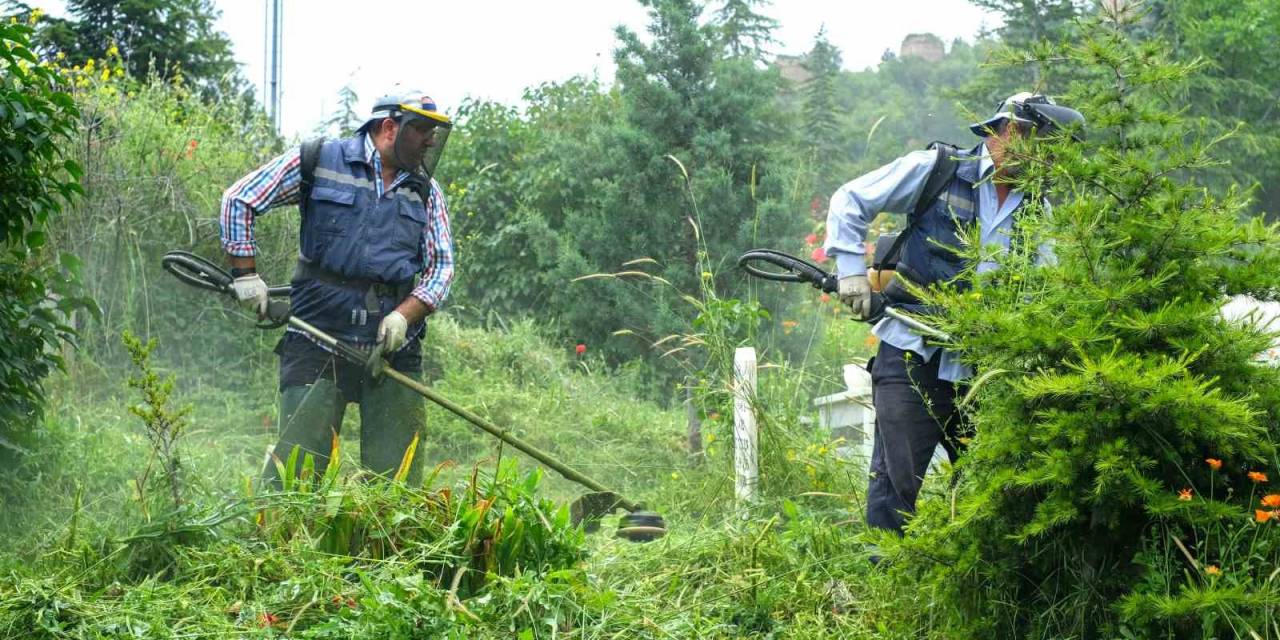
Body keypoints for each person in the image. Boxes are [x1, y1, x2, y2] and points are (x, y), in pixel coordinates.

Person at [824, 93, 1084, 535]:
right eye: (1044, 146)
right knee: (896, 484)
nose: (1050, 160)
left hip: (984, 370)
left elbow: (1045, 289)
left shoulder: (1039, 210)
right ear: (1009, 132)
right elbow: (850, 200)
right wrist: (851, 274)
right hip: (911, 353)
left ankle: (964, 579)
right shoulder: (938, 171)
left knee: (986, 485)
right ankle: (889, 578)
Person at [218, 91, 455, 486]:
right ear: (388, 127)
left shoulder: (426, 192)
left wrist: (404, 315)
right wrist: (246, 276)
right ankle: (280, 543)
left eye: (433, 132)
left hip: (391, 349)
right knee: (295, 478)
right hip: (316, 338)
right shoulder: (318, 161)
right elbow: (239, 199)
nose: (430, 141)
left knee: (396, 488)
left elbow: (441, 268)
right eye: (421, 131)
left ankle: (385, 546)